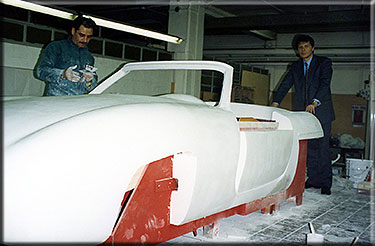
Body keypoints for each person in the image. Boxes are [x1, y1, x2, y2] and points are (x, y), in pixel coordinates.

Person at [271, 34, 335, 195]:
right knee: (309, 147)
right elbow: (285, 84)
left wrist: (315, 102)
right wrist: (275, 102)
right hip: (303, 112)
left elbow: (325, 83)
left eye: (306, 46)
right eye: (300, 47)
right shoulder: (295, 66)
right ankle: (313, 180)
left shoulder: (324, 63)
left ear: (312, 48)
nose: (303, 49)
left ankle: (326, 183)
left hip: (321, 111)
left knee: (322, 147)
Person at [37, 16, 98, 96]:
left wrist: (89, 81)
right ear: (73, 31)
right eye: (81, 35)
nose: (85, 40)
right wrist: (62, 74)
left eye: (89, 37)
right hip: (56, 102)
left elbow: (91, 87)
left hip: (78, 103)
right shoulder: (56, 47)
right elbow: (41, 71)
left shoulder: (89, 57)